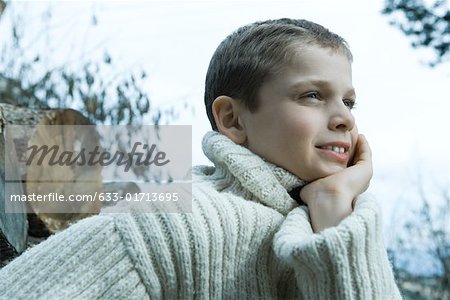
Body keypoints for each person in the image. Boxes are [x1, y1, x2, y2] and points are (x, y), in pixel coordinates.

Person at [0, 18, 401, 299]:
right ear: (232, 119)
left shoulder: (347, 222)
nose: (345, 117)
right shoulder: (167, 224)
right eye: (312, 95)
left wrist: (334, 208)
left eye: (348, 101)